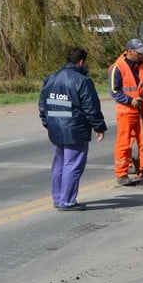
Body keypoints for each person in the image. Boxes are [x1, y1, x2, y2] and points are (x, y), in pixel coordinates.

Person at [38, 47, 107, 211]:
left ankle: (58, 198)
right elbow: (91, 107)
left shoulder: (51, 78)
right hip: (75, 130)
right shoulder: (82, 81)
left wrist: (46, 123)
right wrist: (99, 127)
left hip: (56, 128)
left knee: (59, 165)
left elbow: (43, 104)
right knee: (73, 165)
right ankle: (67, 201)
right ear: (81, 62)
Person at [109, 38, 143, 186]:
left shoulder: (141, 64)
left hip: (142, 109)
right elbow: (114, 91)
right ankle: (122, 172)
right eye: (138, 53)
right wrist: (130, 101)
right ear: (129, 52)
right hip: (126, 111)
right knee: (124, 142)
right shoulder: (117, 68)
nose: (141, 56)